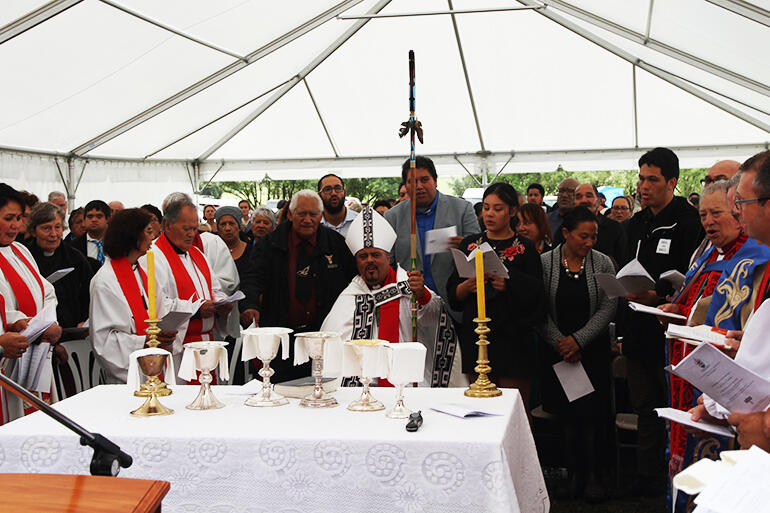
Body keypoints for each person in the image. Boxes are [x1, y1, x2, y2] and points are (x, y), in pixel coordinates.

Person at [622, 147, 704, 496]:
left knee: (675, 407)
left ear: (672, 182)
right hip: (638, 332)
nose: (644, 186)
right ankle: (646, 476)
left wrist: (660, 295)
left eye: (652, 179)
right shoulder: (635, 223)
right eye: (641, 179)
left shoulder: (690, 222)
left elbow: (696, 277)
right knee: (643, 406)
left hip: (673, 334)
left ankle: (678, 476)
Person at [321, 206, 457, 386]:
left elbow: (436, 318)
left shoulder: (409, 285)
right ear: (357, 262)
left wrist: (422, 295)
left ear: (387, 257)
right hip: (365, 386)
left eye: (376, 255)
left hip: (409, 381)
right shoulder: (351, 295)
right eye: (363, 256)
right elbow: (331, 342)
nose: (369, 260)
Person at [689, 151, 770, 451]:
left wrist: (762, 424)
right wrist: (749, 342)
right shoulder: (707, 252)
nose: (738, 214)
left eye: (742, 204)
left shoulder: (757, 256)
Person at [538, 206, 616, 502]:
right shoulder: (546, 263)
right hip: (558, 353)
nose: (589, 243)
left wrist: (579, 341)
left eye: (594, 236)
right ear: (566, 234)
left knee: (592, 417)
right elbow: (540, 309)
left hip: (591, 352)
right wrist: (561, 342)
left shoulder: (603, 263)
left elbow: (609, 305)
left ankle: (594, 476)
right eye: (584, 236)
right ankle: (573, 477)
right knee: (567, 418)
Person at [240, 190, 356, 382]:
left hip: (323, 338)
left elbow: (352, 280)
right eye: (302, 214)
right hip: (282, 340)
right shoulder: (269, 244)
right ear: (291, 214)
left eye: (313, 214)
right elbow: (252, 278)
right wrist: (249, 305)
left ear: (321, 216)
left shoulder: (335, 244)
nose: (307, 219)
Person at [447, 183, 544, 406]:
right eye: (487, 208)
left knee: (514, 406)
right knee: (480, 407)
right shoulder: (470, 244)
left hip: (513, 337)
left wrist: (509, 285)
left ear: (511, 211)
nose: (489, 214)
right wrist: (465, 287)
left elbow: (537, 293)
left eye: (497, 209)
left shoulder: (525, 247)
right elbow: (454, 291)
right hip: (477, 334)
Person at [385, 156, 480, 325]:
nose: (419, 186)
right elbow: (389, 264)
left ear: (435, 181)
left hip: (454, 307)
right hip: (411, 308)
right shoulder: (393, 216)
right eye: (412, 181)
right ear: (406, 186)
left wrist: (464, 246)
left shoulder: (462, 209)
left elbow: (478, 256)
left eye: (424, 179)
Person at [145, 194, 231, 379]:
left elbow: (214, 289)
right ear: (167, 225)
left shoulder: (197, 254)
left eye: (194, 228)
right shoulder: (153, 256)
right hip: (179, 348)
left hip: (206, 344)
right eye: (186, 229)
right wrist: (197, 310)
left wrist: (221, 303)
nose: (192, 234)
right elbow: (159, 304)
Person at [89, 209, 178, 383]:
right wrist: (144, 341)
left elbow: (159, 307)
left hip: (152, 366)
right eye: (148, 232)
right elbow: (104, 341)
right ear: (132, 235)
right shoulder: (105, 281)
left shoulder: (141, 271)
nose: (152, 238)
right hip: (127, 380)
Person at [0, 183, 61, 422]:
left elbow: (47, 292)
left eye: (19, 218)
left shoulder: (20, 251)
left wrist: (50, 324)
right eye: (9, 218)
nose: (17, 225)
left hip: (33, 361)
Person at [25, 202, 93, 329]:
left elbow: (89, 293)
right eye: (46, 228)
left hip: (74, 331)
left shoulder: (75, 258)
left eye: (57, 227)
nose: (53, 234)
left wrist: (85, 321)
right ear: (33, 231)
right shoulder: (25, 258)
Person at [559, 183, 628, 268]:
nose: (584, 200)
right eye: (579, 197)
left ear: (599, 201)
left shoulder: (614, 229)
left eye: (589, 196)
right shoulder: (565, 228)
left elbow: (623, 262)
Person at [68, 199, 110, 274]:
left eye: (99, 216)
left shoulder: (118, 242)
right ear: (85, 219)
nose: (94, 220)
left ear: (108, 219)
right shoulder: (73, 247)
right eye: (90, 217)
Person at [215, 206, 250, 279]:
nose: (227, 228)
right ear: (218, 228)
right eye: (223, 224)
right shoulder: (212, 251)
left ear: (239, 226)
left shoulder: (251, 251)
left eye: (231, 223)